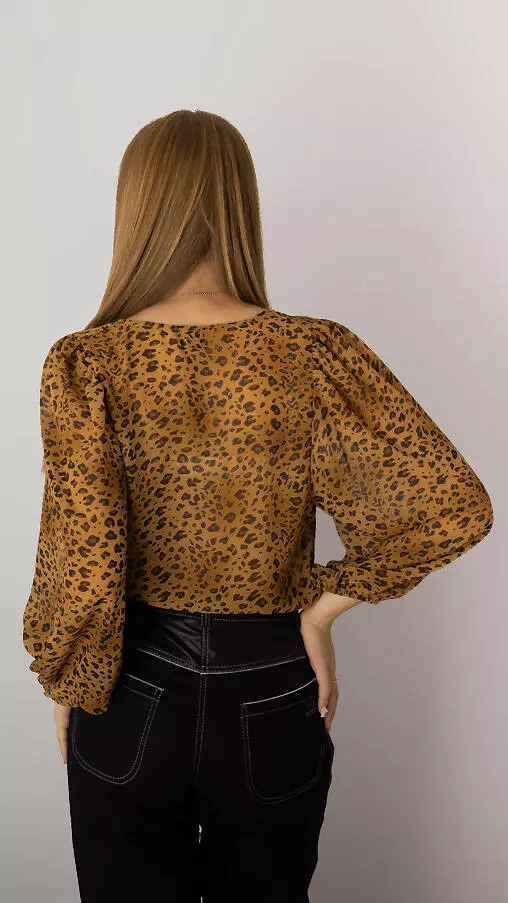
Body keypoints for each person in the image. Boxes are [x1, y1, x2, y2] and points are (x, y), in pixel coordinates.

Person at [22, 109, 494, 903]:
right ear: (240, 203)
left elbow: (87, 555)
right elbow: (450, 507)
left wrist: (71, 676)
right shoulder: (314, 353)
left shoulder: (86, 363)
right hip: (272, 688)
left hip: (132, 687)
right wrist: (320, 613)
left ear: (137, 209)